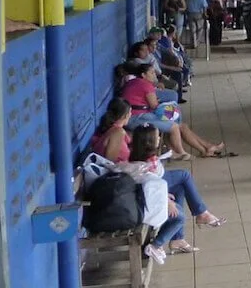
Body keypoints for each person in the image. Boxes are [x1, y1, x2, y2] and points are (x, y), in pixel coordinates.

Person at [92, 101, 225, 238]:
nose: (131, 114)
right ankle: (201, 213)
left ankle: (178, 237)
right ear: (125, 115)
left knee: (179, 187)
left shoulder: (118, 131)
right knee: (184, 176)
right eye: (130, 112)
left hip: (135, 175)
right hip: (131, 181)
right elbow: (112, 163)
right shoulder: (118, 132)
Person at [119, 61, 225, 158]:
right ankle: (181, 154)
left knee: (182, 125)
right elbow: (154, 105)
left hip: (139, 115)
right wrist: (168, 108)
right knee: (174, 126)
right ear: (143, 75)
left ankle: (206, 148)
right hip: (135, 118)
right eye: (151, 73)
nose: (154, 75)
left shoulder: (134, 82)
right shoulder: (145, 85)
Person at [118, 127, 187, 263]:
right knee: (180, 217)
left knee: (179, 204)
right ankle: (155, 245)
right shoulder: (148, 164)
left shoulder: (133, 158)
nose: (160, 139)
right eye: (157, 137)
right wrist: (167, 201)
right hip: (142, 207)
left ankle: (175, 238)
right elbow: (151, 187)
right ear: (149, 142)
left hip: (140, 202)